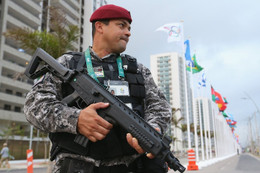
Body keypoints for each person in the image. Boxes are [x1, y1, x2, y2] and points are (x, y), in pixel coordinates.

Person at [24, 4, 171, 173]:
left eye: (129, 28)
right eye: (121, 25)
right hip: (77, 166)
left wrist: (153, 129)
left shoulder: (137, 70)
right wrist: (76, 119)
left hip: (131, 166)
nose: (128, 32)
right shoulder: (67, 64)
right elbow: (34, 106)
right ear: (100, 26)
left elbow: (160, 107)